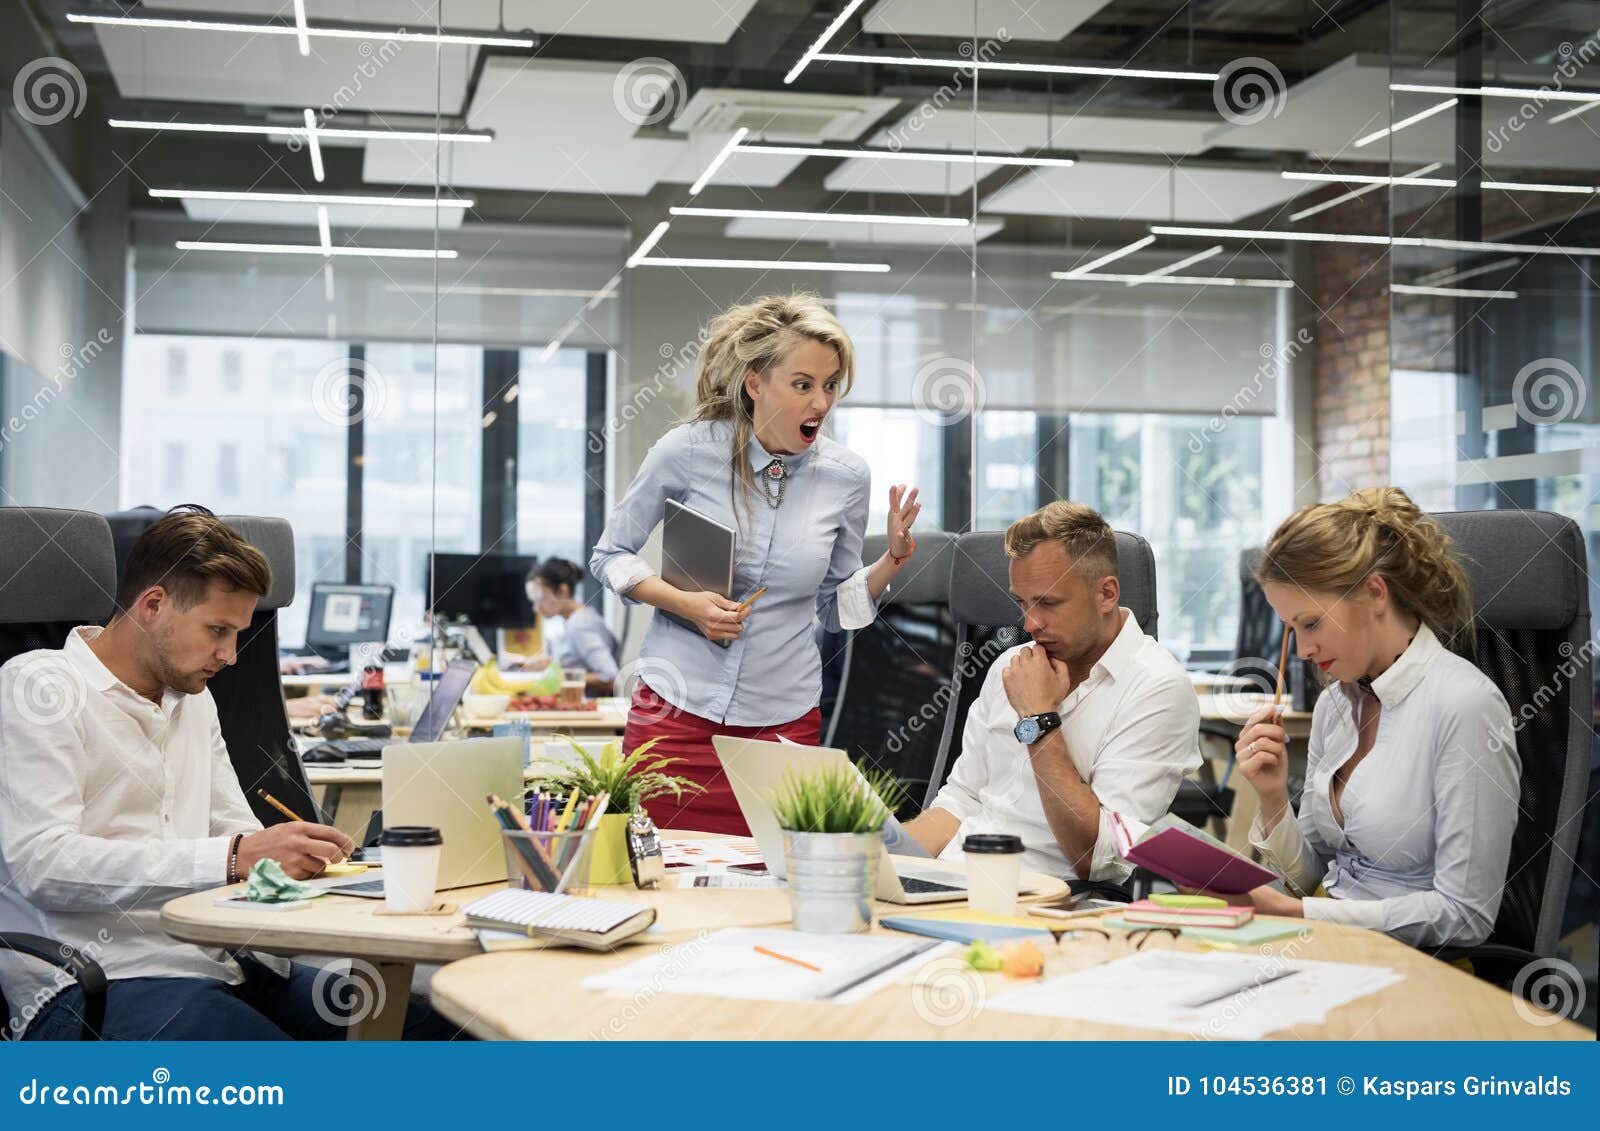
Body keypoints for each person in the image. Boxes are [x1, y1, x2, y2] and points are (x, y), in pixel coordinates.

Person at [0, 507, 461, 1040]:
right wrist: (238, 856)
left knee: (430, 1029)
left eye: (238, 632)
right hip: (94, 982)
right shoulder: (40, 688)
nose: (231, 655)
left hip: (220, 962)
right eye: (218, 629)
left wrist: (293, 860)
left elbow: (234, 834)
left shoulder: (193, 701)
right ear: (153, 606)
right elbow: (43, 864)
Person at [590, 293, 921, 835]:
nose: (820, 402)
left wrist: (890, 560)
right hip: (675, 711)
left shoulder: (846, 477)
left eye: (831, 385)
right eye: (803, 384)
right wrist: (684, 604)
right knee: (659, 880)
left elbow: (835, 610)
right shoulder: (687, 452)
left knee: (771, 893)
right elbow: (610, 556)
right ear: (755, 383)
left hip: (782, 723)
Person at [1220, 487, 1518, 948]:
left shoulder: (1465, 704)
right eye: (1292, 629)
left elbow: (1466, 915)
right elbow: (1313, 873)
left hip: (1417, 964)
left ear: (1375, 593)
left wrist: (1301, 912)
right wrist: (1273, 797)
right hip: (1325, 944)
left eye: (1312, 623)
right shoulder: (1336, 703)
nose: (1302, 650)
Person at [904, 501, 1200, 881]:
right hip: (953, 884)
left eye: (1048, 603)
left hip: (1050, 903)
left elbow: (1099, 859)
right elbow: (962, 799)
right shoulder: (1011, 667)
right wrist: (882, 860)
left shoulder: (1158, 688)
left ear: (1107, 593)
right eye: (1022, 603)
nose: (1029, 624)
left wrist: (1039, 719)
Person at [513, 557, 621, 696]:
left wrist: (561, 676)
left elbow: (611, 677)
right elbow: (578, 661)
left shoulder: (579, 625)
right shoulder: (577, 619)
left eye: (540, 599)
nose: (536, 608)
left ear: (562, 591)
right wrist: (545, 664)